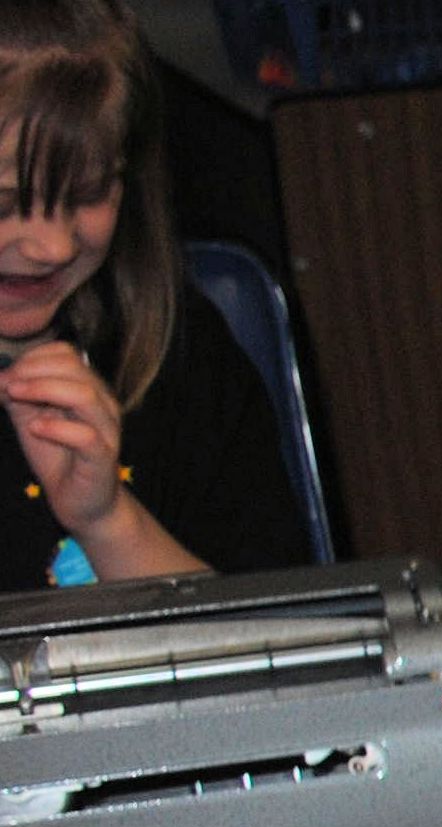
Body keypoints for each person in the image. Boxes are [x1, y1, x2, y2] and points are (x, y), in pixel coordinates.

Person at [0, 0, 308, 588]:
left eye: (88, 194)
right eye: (5, 204)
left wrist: (107, 520)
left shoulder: (179, 355)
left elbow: (268, 644)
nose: (52, 246)